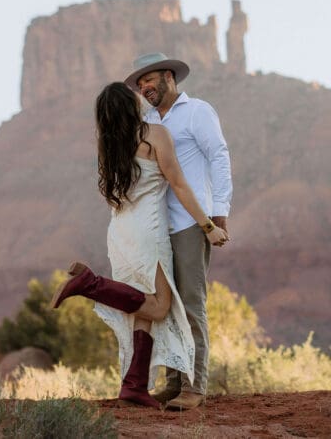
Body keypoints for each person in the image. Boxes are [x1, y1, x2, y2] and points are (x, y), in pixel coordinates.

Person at [50, 82, 229, 409]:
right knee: (160, 306)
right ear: (130, 107)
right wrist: (208, 225)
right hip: (149, 231)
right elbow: (178, 182)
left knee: (140, 307)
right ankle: (90, 284)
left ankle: (134, 385)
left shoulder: (110, 146)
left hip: (120, 233)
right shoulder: (155, 135)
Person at [125, 52, 232, 411]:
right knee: (165, 307)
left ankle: (195, 386)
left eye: (149, 80)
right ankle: (172, 384)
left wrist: (219, 213)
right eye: (140, 85)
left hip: (190, 222)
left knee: (190, 305)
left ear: (169, 76)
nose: (144, 88)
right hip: (157, 225)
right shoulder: (148, 120)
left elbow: (218, 156)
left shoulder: (198, 111)